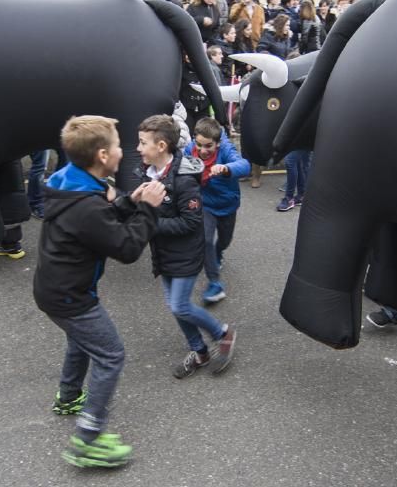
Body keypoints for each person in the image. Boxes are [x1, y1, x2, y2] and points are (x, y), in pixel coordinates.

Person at [34, 115, 165, 468]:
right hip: (71, 295)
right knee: (110, 355)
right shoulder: (87, 205)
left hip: (56, 289)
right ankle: (88, 439)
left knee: (81, 340)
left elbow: (98, 221)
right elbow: (125, 248)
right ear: (104, 156)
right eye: (120, 145)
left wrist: (129, 202)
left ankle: (69, 396)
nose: (125, 151)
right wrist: (149, 210)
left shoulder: (69, 181)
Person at [136, 114, 237, 379]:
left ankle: (222, 334)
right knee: (174, 305)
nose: (138, 148)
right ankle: (200, 351)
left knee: (180, 305)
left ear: (161, 146)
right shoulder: (147, 171)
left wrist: (151, 225)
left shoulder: (184, 176)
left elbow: (191, 222)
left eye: (143, 142)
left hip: (186, 253)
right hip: (164, 253)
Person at [185, 118, 251, 304]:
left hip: (227, 205)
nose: (203, 150)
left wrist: (226, 168)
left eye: (208, 146)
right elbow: (176, 166)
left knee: (223, 241)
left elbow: (244, 165)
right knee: (205, 240)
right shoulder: (190, 149)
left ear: (217, 143)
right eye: (199, 144)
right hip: (204, 204)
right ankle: (214, 283)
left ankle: (218, 253)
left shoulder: (226, 149)